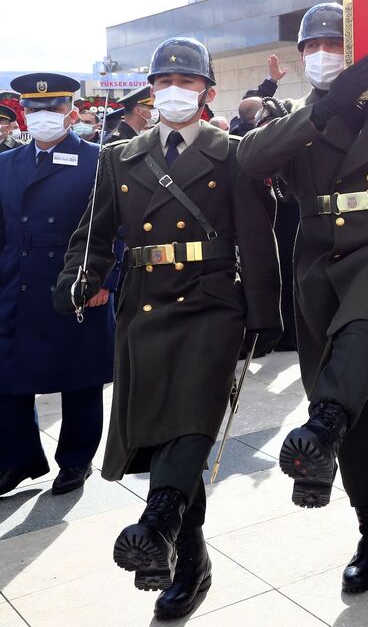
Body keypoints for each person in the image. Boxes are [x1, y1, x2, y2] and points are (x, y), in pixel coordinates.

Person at [56, 38, 281, 621]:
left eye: (186, 81)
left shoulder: (233, 154)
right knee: (162, 430)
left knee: (192, 418)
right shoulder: (119, 157)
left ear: (207, 90)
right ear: (150, 91)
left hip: (213, 301)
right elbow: (95, 231)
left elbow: (258, 236)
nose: (173, 91)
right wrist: (81, 277)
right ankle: (189, 559)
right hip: (145, 305)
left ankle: (159, 523)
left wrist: (264, 312)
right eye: (162, 83)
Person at [236, 3, 368, 594]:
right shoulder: (290, 115)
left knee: (360, 336)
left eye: (333, 43)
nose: (323, 53)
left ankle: (327, 425)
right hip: (318, 259)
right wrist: (326, 107)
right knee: (349, 402)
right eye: (311, 45)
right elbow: (251, 158)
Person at [0, 73, 116, 499]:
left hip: (75, 276)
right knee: (9, 377)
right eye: (33, 107)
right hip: (16, 279)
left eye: (53, 107)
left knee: (79, 374)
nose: (43, 114)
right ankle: (17, 458)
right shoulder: (5, 162)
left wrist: (105, 278)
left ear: (71, 110)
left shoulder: (99, 159)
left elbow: (115, 229)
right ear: (23, 112)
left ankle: (76, 460)